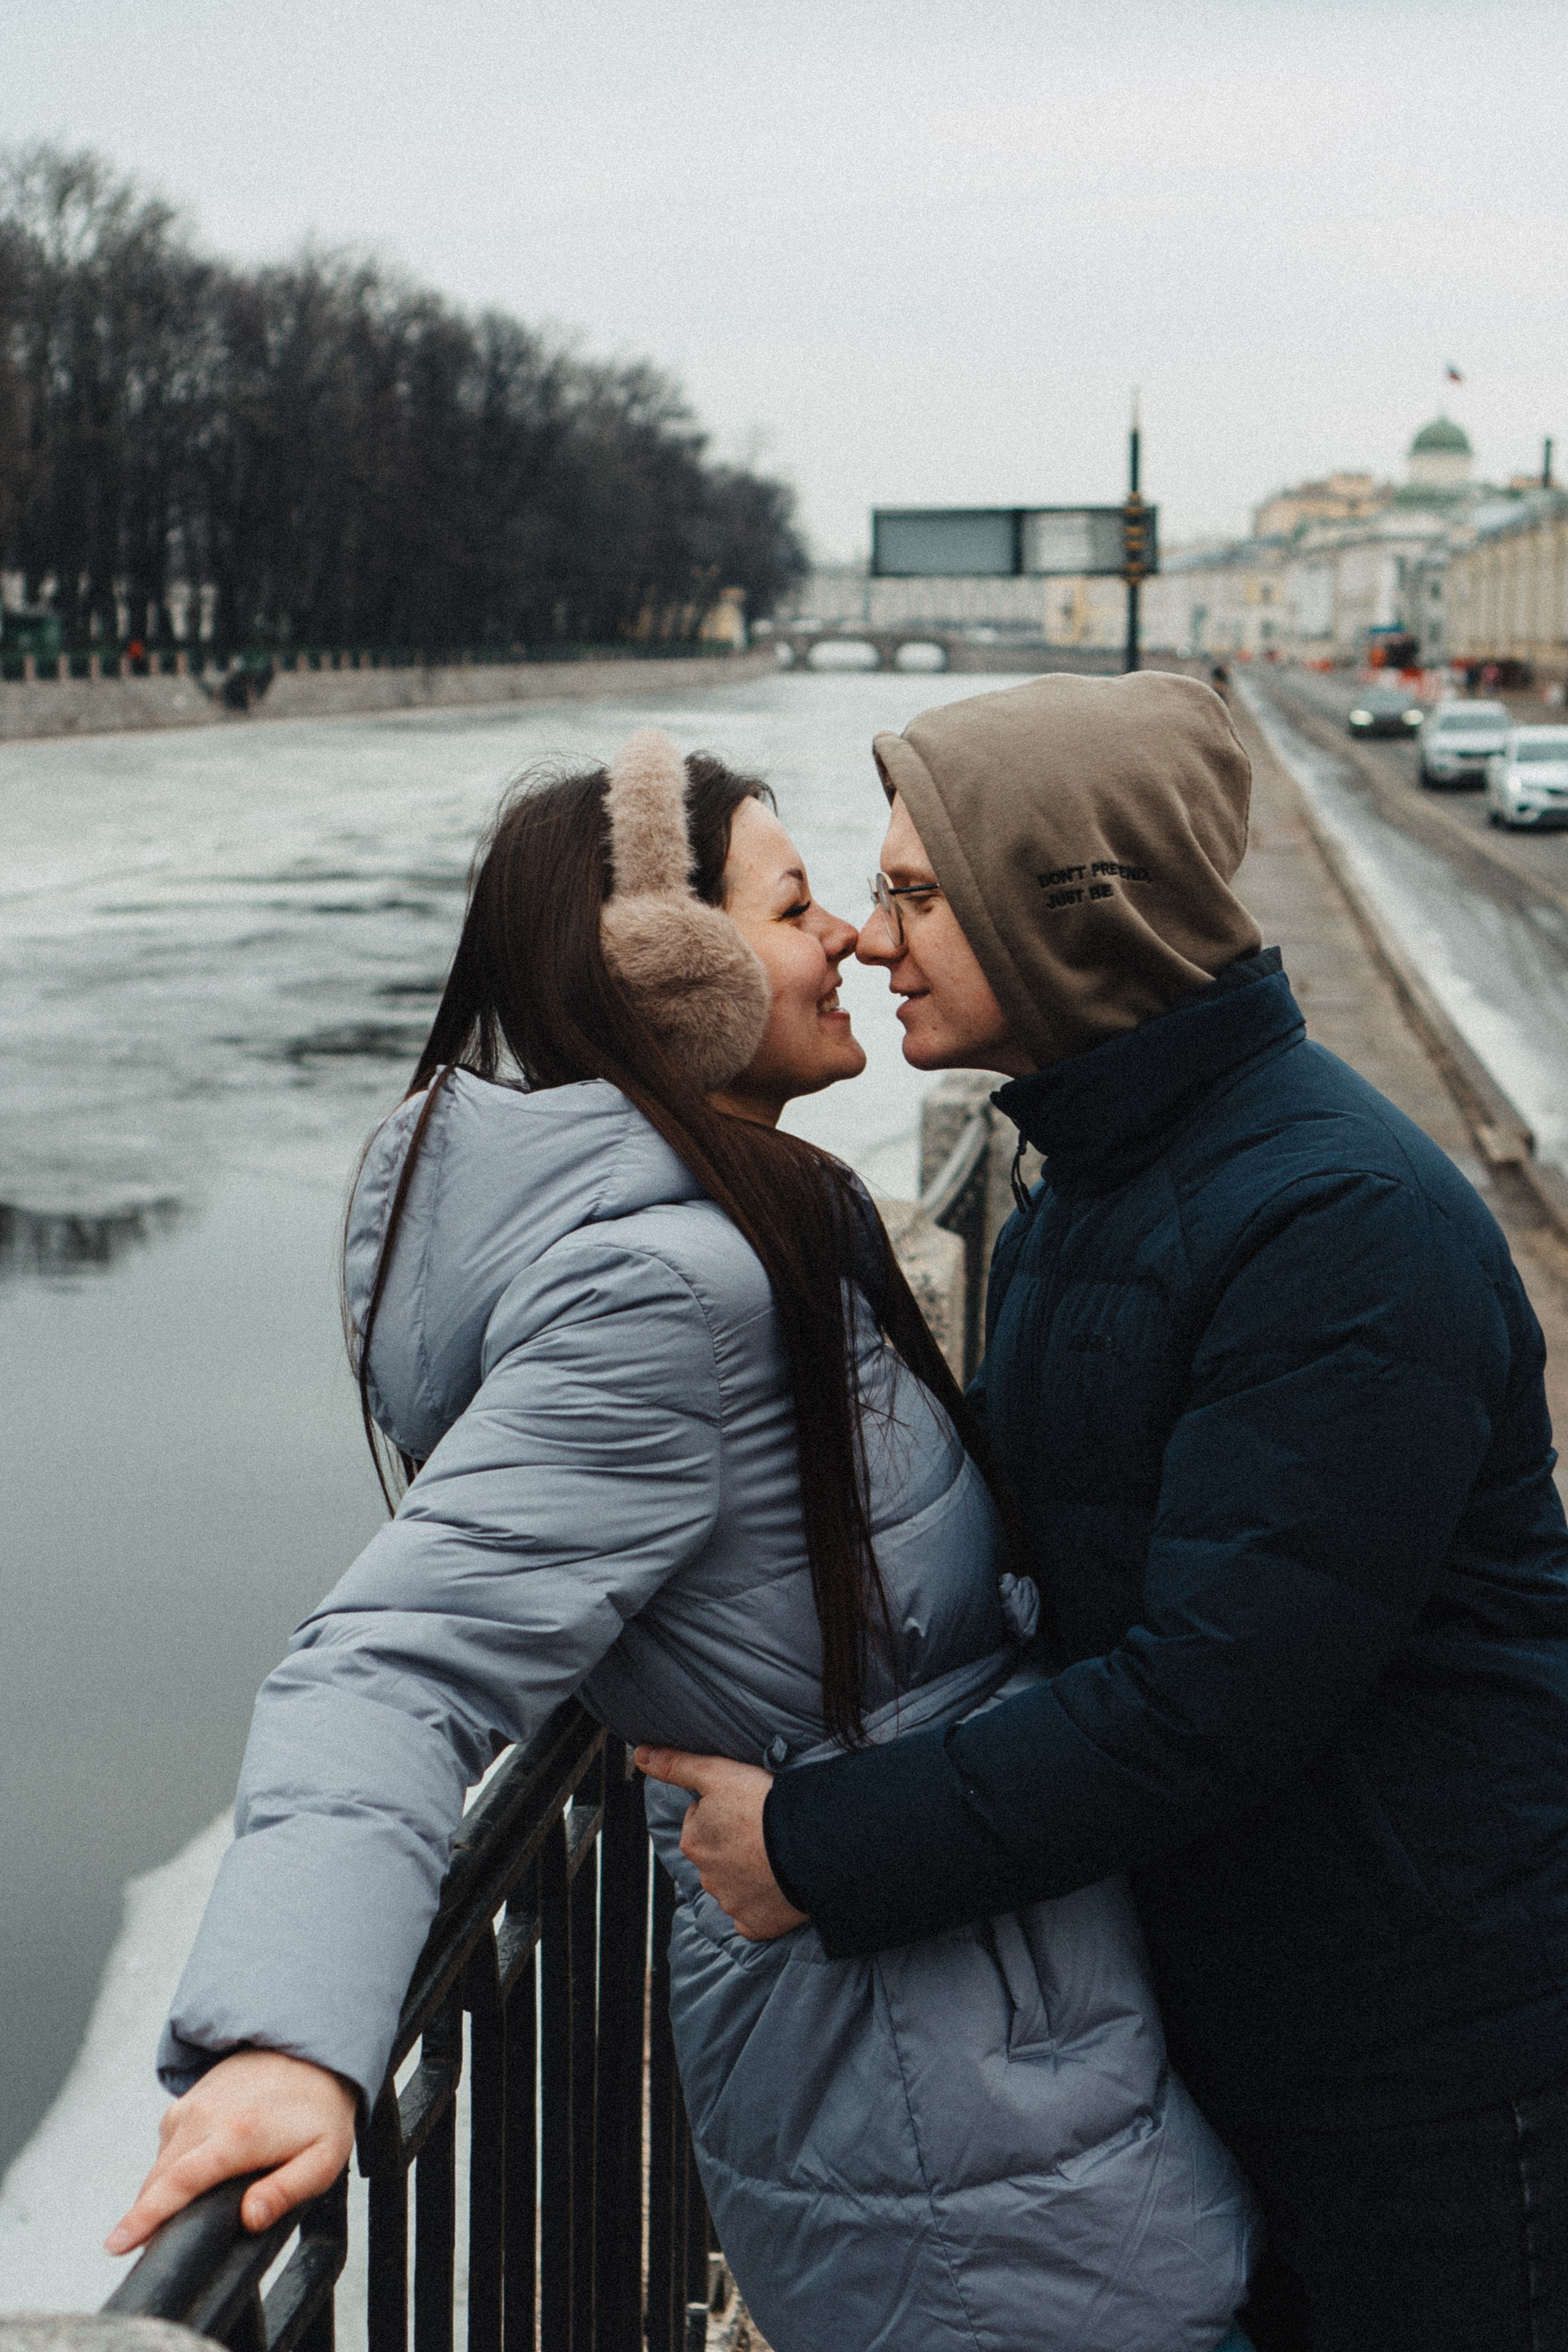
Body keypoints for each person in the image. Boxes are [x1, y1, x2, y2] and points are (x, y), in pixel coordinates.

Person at [110, 730, 1255, 2352]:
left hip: (970, 2058)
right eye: (800, 907)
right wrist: (287, 2035)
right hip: (936, 2106)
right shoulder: (674, 1299)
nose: (853, 937)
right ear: (672, 969)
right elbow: (395, 1659)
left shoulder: (759, 1233)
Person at [639, 672, 1568, 2352]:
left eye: (922, 894)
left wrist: (815, 1849)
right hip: (1262, 1990)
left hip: (1428, 2048)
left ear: (1071, 914)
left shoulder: (1336, 1223)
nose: (872, 935)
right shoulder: (1116, 1169)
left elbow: (1208, 1703)